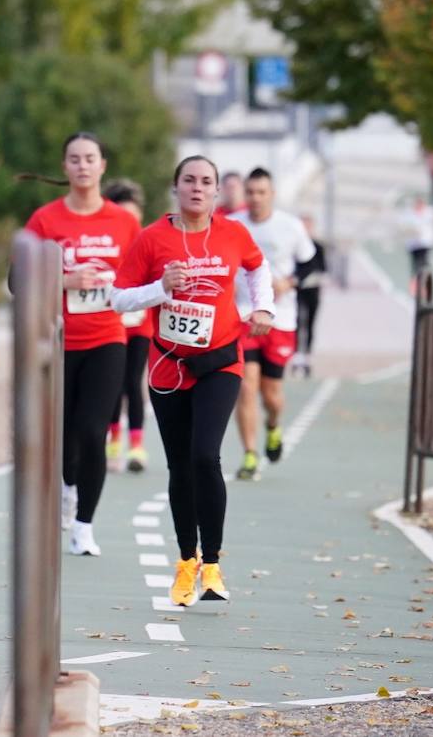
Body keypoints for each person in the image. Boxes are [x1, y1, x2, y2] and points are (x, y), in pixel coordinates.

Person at [112, 154, 274, 607]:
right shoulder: (152, 238)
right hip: (169, 366)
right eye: (189, 180)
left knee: (206, 456)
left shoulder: (233, 233)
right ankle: (187, 560)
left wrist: (264, 308)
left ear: (217, 191)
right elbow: (118, 298)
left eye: (206, 182)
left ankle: (215, 565)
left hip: (221, 360)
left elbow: (258, 268)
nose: (197, 188)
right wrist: (161, 287)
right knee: (180, 465)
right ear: (175, 187)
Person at [23, 133, 140, 556]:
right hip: (58, 342)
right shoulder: (46, 220)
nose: (83, 166)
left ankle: (84, 525)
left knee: (93, 431)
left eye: (90, 158)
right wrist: (63, 279)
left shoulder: (124, 223)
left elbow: (142, 274)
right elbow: (16, 280)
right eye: (74, 159)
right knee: (64, 436)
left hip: (108, 339)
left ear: (102, 165)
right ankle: (67, 489)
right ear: (65, 166)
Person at [228, 168, 315, 480]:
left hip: (281, 319)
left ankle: (274, 425)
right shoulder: (233, 224)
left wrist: (289, 282)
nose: (255, 198)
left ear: (272, 194)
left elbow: (312, 262)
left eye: (261, 192)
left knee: (271, 394)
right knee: (246, 387)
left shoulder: (289, 227)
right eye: (250, 192)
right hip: (243, 316)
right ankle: (250, 454)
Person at [103, 179, 151, 473]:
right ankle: (113, 440)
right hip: (111, 321)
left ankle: (136, 445)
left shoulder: (147, 240)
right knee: (113, 384)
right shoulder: (107, 243)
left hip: (140, 324)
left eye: (134, 216)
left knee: (133, 381)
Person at [291, 215, 329, 378]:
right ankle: (296, 357)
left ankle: (307, 357)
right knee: (298, 322)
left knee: (311, 323)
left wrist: (312, 278)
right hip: (297, 290)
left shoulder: (317, 247)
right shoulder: (294, 246)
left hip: (312, 289)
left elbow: (323, 268)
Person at [400, 195, 433, 292]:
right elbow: (404, 226)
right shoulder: (409, 214)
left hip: (425, 243)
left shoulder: (429, 212)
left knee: (424, 263)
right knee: (415, 264)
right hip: (413, 244)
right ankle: (414, 284)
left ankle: (425, 284)